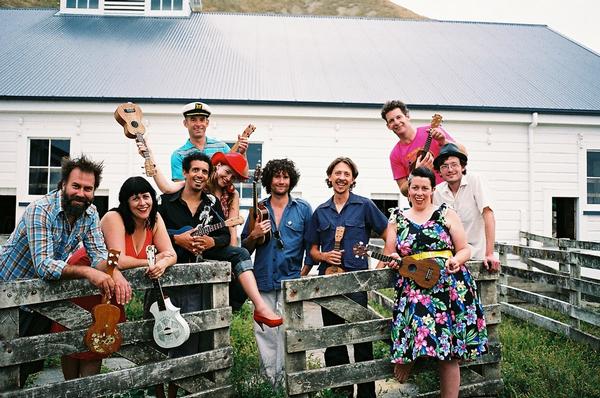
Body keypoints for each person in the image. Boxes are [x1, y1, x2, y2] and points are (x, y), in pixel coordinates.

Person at [0, 155, 132, 387]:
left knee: (26, 365)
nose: (81, 193)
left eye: (88, 188)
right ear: (63, 185)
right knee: (4, 363)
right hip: (8, 295)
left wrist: (114, 272)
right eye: (76, 186)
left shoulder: (90, 214)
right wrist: (89, 273)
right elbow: (44, 265)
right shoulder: (40, 210)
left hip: (40, 300)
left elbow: (99, 254)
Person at [157, 152, 281, 397]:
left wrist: (210, 242)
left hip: (203, 275)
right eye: (196, 170)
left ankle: (259, 307)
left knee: (239, 254)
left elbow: (225, 235)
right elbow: (151, 229)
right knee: (167, 341)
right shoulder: (166, 202)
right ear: (185, 172)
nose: (200, 175)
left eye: (204, 171)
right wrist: (176, 238)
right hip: (172, 278)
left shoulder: (211, 203)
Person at [383, 167, 488, 398]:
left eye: (424, 188)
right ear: (407, 190)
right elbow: (390, 252)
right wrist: (392, 259)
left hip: (448, 287)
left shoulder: (445, 213)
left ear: (432, 190)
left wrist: (456, 261)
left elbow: (465, 249)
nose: (419, 192)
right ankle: (408, 357)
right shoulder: (396, 218)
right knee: (420, 324)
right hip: (414, 287)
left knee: (449, 352)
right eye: (414, 188)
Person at [305, 157, 388, 398]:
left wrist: (381, 265)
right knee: (333, 339)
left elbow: (388, 232)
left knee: (362, 338)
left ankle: (366, 394)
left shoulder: (364, 206)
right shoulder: (320, 211)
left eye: (346, 174)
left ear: (353, 179)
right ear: (329, 177)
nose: (341, 177)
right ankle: (339, 392)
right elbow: (311, 250)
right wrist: (324, 255)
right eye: (337, 173)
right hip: (329, 283)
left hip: (356, 282)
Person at [241, 158, 313, 386]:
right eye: (276, 176)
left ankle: (285, 380)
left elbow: (310, 246)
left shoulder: (303, 209)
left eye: (285, 177)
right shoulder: (258, 208)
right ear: (269, 180)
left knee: (287, 332)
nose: (281, 181)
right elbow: (244, 249)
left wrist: (303, 273)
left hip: (291, 281)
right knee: (264, 332)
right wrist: (254, 234)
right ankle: (268, 381)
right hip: (263, 280)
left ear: (291, 180)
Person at [432, 143, 500, 272]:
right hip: (451, 259)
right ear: (439, 171)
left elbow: (488, 213)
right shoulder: (437, 192)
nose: (450, 169)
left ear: (462, 167)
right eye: (444, 166)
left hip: (478, 257)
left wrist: (489, 253)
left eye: (454, 165)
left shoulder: (475, 181)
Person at [381, 100, 463, 196]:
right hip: (425, 201)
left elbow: (463, 153)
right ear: (388, 126)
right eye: (391, 120)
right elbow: (403, 190)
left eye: (399, 117)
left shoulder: (432, 131)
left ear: (407, 116)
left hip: (451, 193)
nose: (396, 122)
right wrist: (415, 173)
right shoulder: (395, 154)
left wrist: (443, 141)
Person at [171, 101, 251, 181]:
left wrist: (242, 153)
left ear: (207, 123)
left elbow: (243, 177)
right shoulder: (178, 155)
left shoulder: (222, 147)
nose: (198, 124)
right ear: (185, 123)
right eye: (193, 120)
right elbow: (180, 186)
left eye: (202, 120)